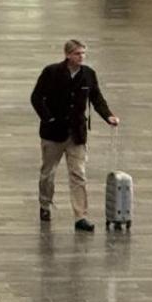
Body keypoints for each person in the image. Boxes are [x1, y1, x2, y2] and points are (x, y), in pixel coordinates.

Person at [30, 39, 118, 232]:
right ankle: (45, 204)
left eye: (83, 53)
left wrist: (108, 116)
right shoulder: (51, 72)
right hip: (53, 134)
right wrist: (48, 119)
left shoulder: (88, 75)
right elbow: (36, 97)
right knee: (48, 173)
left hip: (76, 134)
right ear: (68, 55)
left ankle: (81, 216)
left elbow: (96, 98)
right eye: (78, 53)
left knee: (78, 174)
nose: (82, 57)